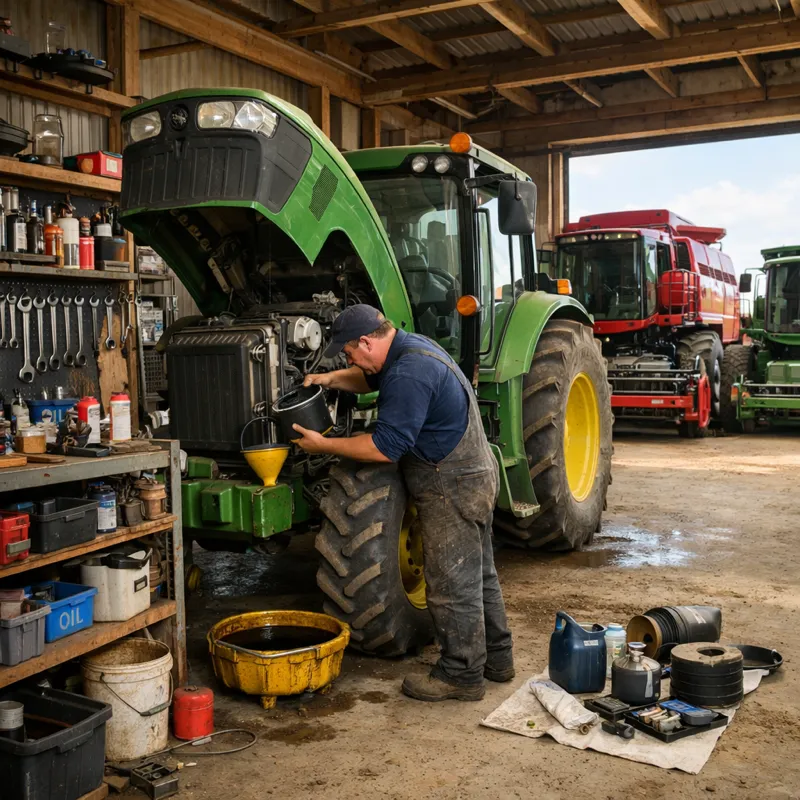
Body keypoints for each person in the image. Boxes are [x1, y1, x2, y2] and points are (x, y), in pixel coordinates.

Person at [292, 304, 514, 702]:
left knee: (449, 584)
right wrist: (329, 379)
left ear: (366, 341)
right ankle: (497, 660)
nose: (350, 361)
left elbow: (384, 447)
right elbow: (368, 379)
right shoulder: (409, 349)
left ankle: (460, 676)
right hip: (473, 473)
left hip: (451, 485)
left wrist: (322, 444)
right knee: (479, 576)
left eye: (349, 354)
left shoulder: (410, 372)